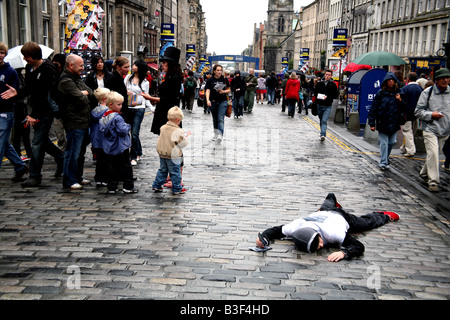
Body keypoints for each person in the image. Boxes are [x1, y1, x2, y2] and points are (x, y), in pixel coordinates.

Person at [256, 193, 400, 262]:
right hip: (323, 213)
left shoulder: (334, 234)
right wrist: (264, 239)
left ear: (318, 234)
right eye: (319, 247)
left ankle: (384, 215)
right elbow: (274, 231)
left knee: (365, 223)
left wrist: (345, 253)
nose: (322, 244)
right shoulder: (295, 226)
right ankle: (331, 200)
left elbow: (358, 245)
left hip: (342, 217)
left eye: (318, 242)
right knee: (327, 204)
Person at [1, 42, 64, 187]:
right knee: (43, 141)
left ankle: (35, 176)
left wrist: (35, 116)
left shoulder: (48, 69)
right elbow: (30, 89)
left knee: (36, 143)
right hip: (35, 109)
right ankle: (61, 158)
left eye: (27, 56)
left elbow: (44, 95)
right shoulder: (29, 68)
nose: (25, 59)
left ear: (35, 55)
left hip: (46, 110)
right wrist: (17, 93)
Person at [58, 54, 94, 190]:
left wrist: (85, 93)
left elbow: (90, 92)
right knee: (72, 152)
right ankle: (69, 180)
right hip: (74, 121)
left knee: (80, 153)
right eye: (80, 66)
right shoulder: (66, 81)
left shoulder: (76, 78)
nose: (83, 68)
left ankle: (77, 177)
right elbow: (82, 98)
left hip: (83, 120)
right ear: (71, 65)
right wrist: (83, 94)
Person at [414, 68, 450, 192]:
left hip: (445, 130)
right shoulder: (427, 93)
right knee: (434, 154)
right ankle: (433, 182)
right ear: (437, 80)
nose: (445, 80)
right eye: (442, 78)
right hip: (430, 128)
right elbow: (418, 111)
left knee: (432, 155)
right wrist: (431, 114)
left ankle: (424, 173)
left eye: (447, 77)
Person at [0, 42, 28, 182]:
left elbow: (17, 93)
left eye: (2, 53)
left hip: (5, 112)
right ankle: (20, 166)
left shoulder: (10, 72)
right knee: (3, 144)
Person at [99, 91, 137, 194]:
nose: (121, 106)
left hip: (110, 147)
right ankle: (128, 186)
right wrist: (128, 125)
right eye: (119, 104)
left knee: (112, 167)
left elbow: (102, 129)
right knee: (126, 166)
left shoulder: (104, 116)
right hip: (121, 146)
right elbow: (123, 131)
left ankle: (112, 187)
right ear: (111, 104)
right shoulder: (118, 118)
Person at [368, 72, 406, 171]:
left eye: (392, 80)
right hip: (382, 121)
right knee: (384, 143)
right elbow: (374, 108)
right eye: (389, 80)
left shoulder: (399, 93)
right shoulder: (380, 93)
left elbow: (405, 107)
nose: (390, 82)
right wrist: (372, 123)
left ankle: (386, 158)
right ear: (385, 82)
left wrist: (400, 100)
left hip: (394, 122)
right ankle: (383, 162)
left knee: (392, 142)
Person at [145, 47, 182, 136]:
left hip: (169, 114)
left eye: (164, 62)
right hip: (163, 111)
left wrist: (151, 98)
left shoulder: (174, 78)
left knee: (168, 142)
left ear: (171, 64)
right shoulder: (169, 77)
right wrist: (154, 99)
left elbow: (170, 99)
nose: (162, 64)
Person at [151, 106, 189, 195]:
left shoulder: (163, 127)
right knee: (175, 172)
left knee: (162, 170)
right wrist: (185, 137)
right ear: (177, 120)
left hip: (163, 154)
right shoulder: (178, 131)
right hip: (174, 155)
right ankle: (177, 188)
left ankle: (156, 185)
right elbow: (184, 143)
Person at [124, 59, 150, 166]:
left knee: (134, 132)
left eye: (135, 65)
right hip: (128, 107)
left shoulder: (145, 82)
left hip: (139, 108)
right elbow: (123, 89)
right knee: (129, 132)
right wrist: (127, 92)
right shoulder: (128, 78)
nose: (133, 66)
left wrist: (151, 108)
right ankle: (139, 151)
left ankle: (133, 156)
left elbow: (146, 96)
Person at [90, 87, 110, 188]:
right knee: (106, 160)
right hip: (105, 140)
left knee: (99, 161)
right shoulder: (107, 111)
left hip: (96, 140)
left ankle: (98, 179)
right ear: (104, 99)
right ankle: (105, 178)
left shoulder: (94, 110)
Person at [205, 64, 230, 142]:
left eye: (220, 70)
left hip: (223, 101)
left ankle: (220, 134)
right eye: (218, 70)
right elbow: (207, 90)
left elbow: (229, 89)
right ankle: (216, 134)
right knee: (215, 119)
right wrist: (207, 100)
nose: (219, 72)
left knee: (220, 118)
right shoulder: (210, 80)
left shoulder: (224, 79)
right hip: (213, 101)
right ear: (214, 71)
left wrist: (223, 91)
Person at [400, 72, 423, 157]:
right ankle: (404, 147)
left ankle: (410, 150)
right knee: (412, 132)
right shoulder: (420, 89)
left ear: (408, 79)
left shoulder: (405, 89)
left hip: (406, 114)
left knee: (407, 132)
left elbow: (401, 102)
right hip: (417, 114)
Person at [313, 70, 339, 141]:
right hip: (319, 105)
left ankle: (323, 134)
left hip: (328, 105)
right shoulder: (319, 83)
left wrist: (327, 97)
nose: (327, 76)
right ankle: (322, 132)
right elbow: (315, 93)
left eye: (329, 75)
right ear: (324, 75)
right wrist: (320, 96)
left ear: (331, 76)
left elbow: (335, 95)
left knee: (324, 120)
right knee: (321, 120)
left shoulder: (333, 85)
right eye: (326, 74)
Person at [106, 56, 130, 124]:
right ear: (118, 67)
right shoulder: (114, 78)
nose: (128, 69)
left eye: (128, 67)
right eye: (125, 67)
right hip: (117, 111)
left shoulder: (119, 78)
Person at [51, 54, 67, 151]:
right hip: (56, 108)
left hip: (66, 107)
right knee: (59, 133)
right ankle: (62, 151)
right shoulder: (51, 73)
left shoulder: (65, 75)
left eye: (57, 63)